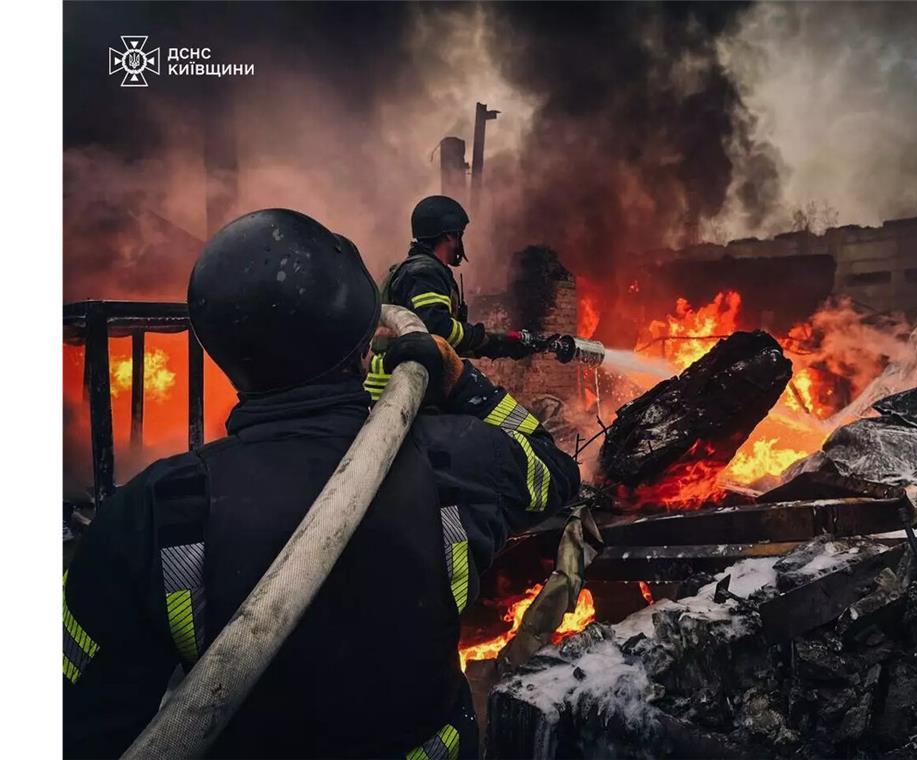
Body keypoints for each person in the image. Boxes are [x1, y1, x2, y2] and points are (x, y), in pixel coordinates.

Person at [62, 209, 580, 759]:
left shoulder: (148, 515)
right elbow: (555, 471)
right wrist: (460, 380)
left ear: (222, 357)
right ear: (363, 346)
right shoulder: (458, 456)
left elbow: (83, 728)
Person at [367, 195, 529, 401]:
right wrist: (482, 337)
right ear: (450, 236)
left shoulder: (415, 270)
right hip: (403, 389)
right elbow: (437, 329)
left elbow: (443, 341)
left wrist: (502, 344)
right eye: (459, 235)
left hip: (405, 384)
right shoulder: (425, 273)